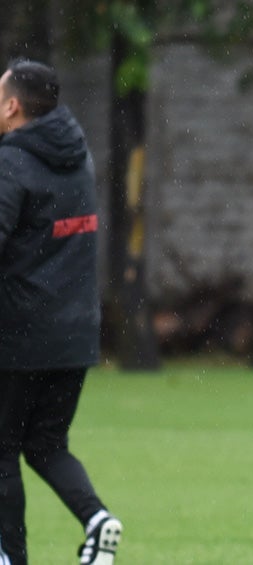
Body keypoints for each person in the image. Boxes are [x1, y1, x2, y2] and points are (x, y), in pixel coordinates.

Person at [0, 60, 122, 565]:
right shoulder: (77, 155)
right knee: (46, 443)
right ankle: (97, 519)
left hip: (20, 336)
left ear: (11, 106)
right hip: (75, 335)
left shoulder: (11, 162)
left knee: (2, 450)